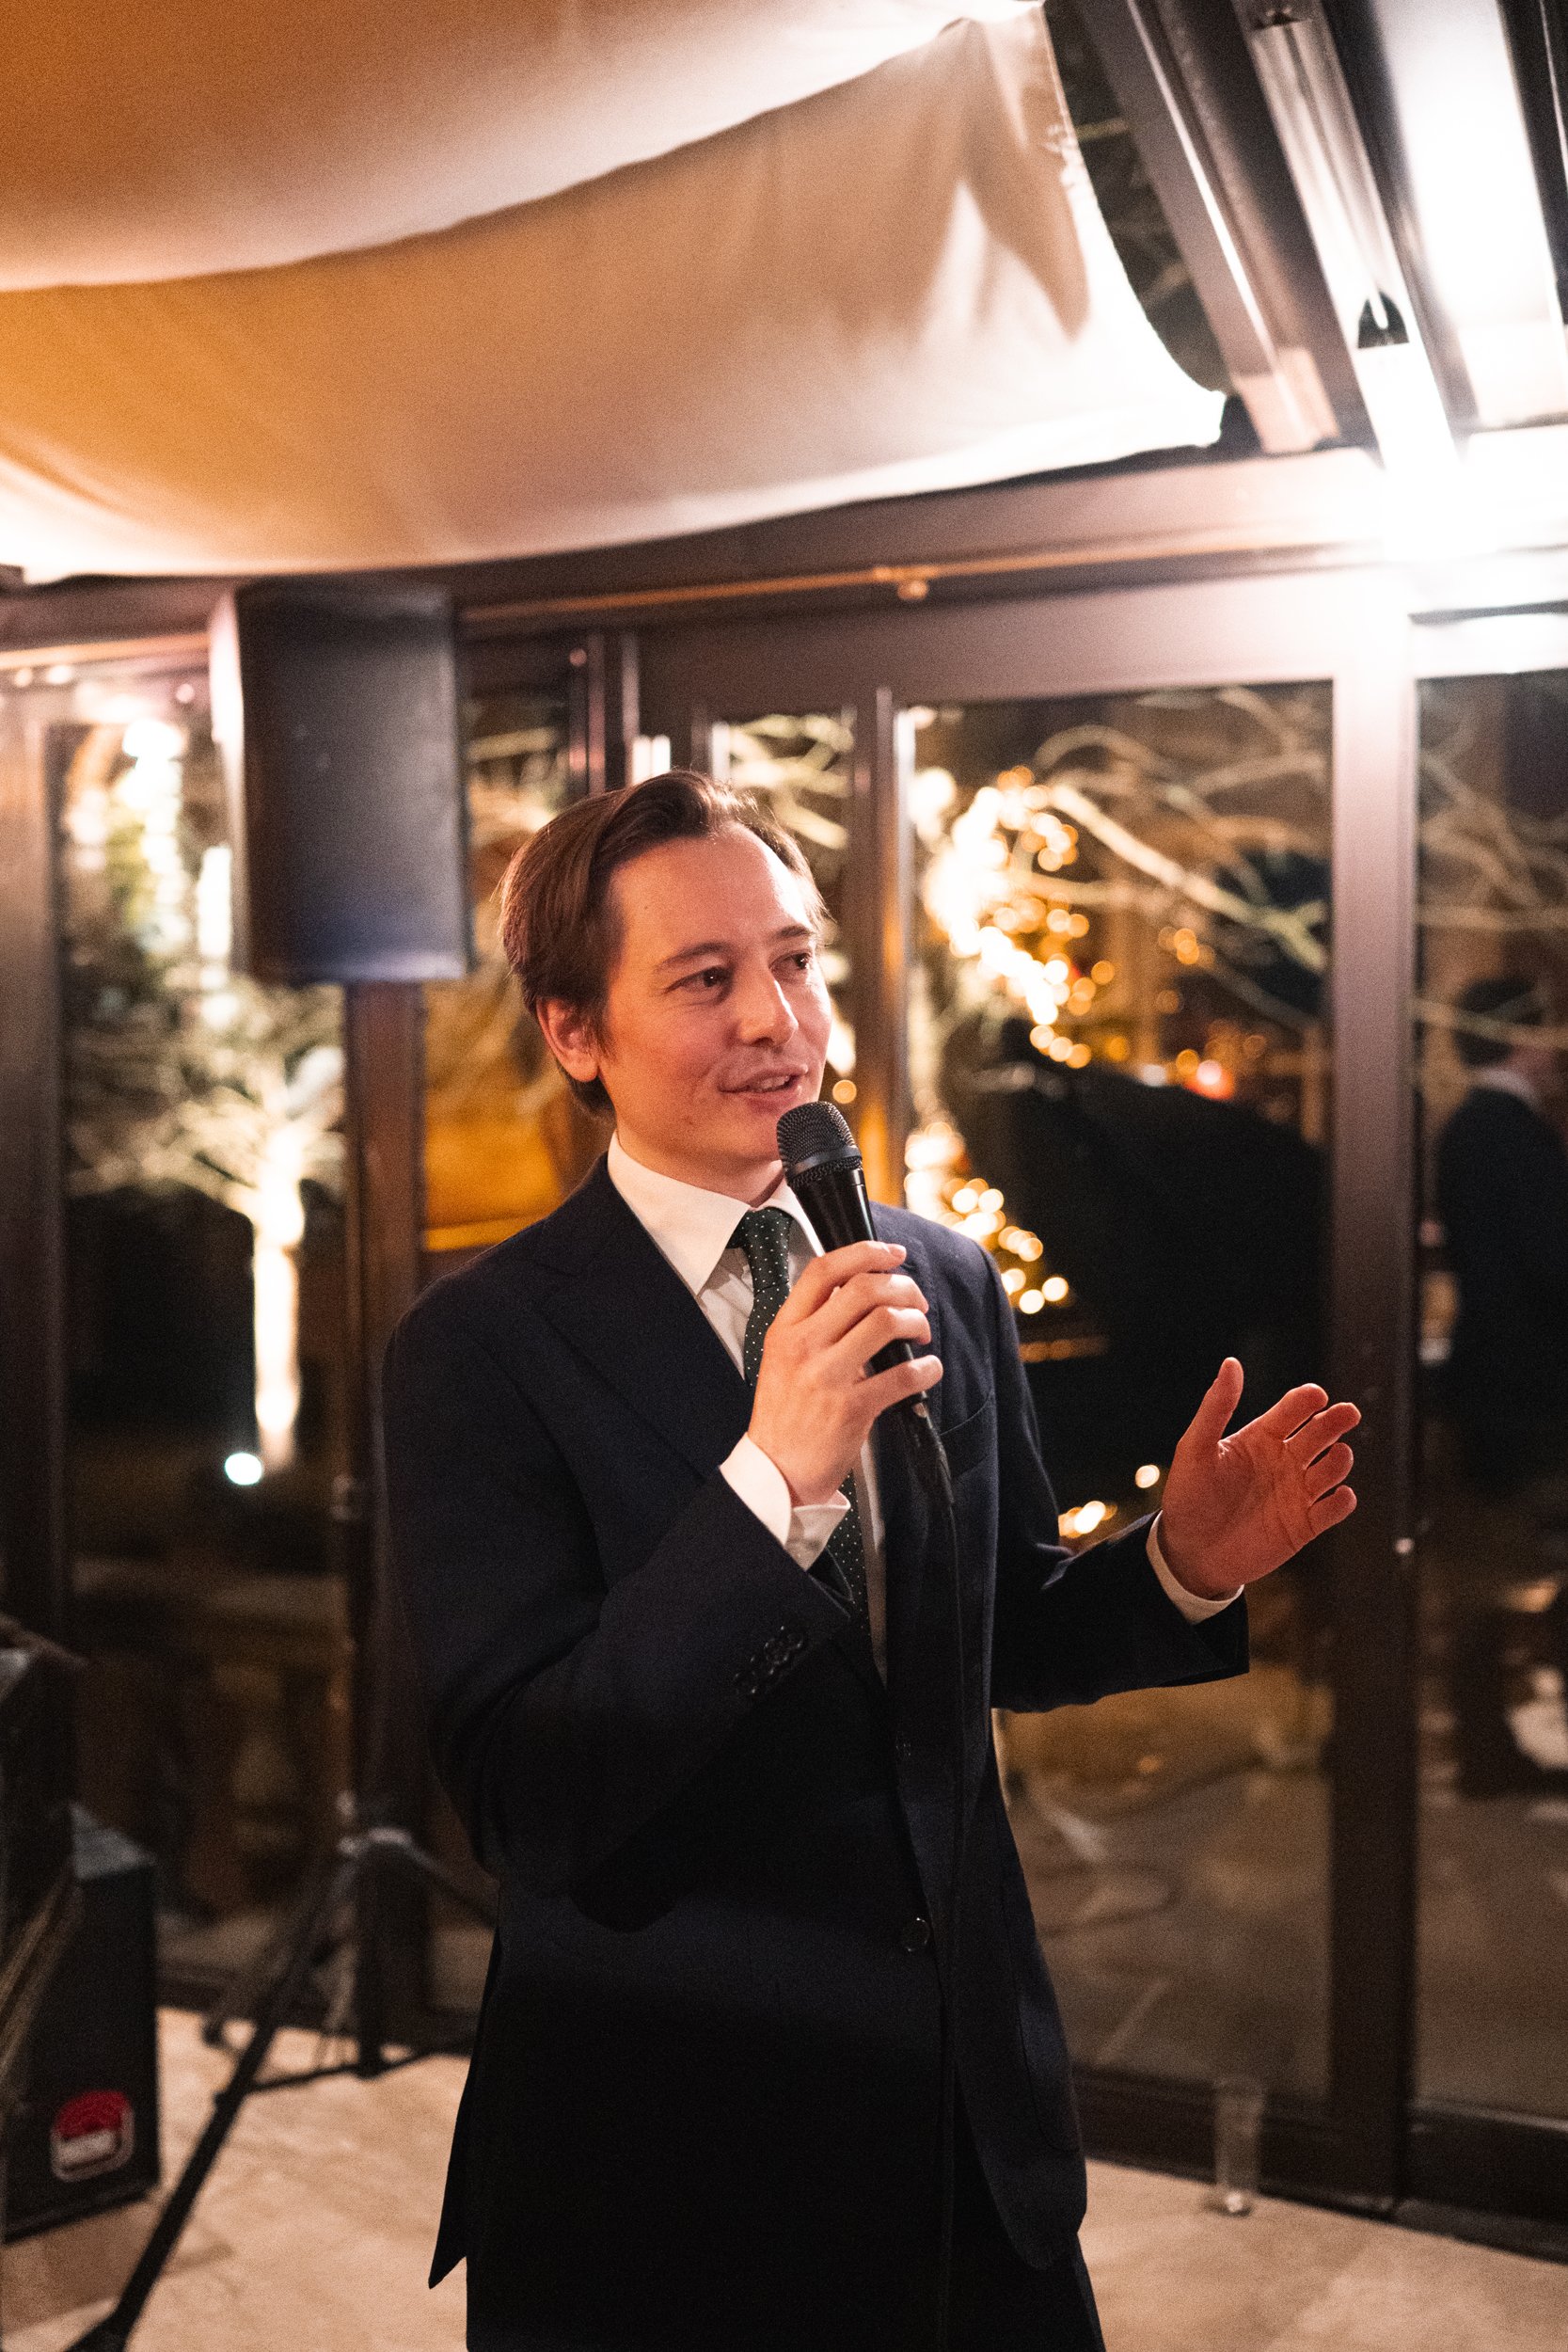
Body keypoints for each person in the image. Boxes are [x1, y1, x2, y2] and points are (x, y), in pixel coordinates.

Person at [382, 771, 1359, 2351]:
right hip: (667, 2158)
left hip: (966, 2119)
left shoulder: (942, 1278)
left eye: (795, 960)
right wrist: (772, 1481)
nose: (776, 1019)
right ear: (576, 1030)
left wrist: (1177, 1563)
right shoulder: (478, 1350)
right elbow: (531, 1796)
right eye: (706, 979)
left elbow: (1002, 1639)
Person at [1433, 974, 1568, 1795]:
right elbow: (1549, 1262)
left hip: (1500, 1383)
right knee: (1499, 1576)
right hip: (1524, 1389)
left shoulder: (1477, 1126)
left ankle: (1498, 1744)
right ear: (1521, 1037)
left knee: (1497, 1575)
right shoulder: (1503, 1128)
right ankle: (1495, 1749)